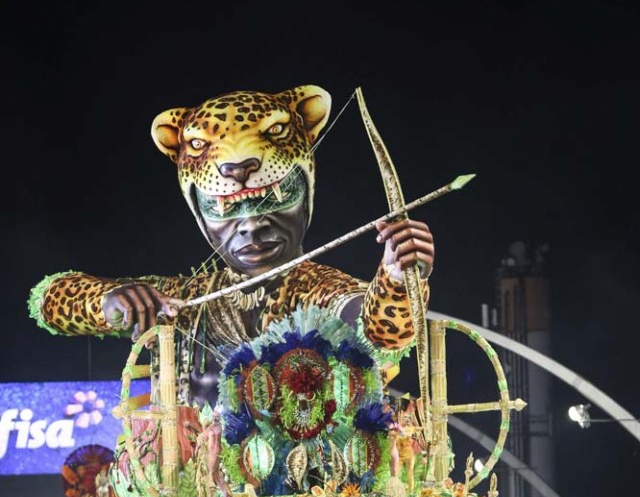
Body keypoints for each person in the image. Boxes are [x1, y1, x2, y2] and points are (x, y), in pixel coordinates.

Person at [29, 86, 435, 410]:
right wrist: (108, 300)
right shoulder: (184, 300)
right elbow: (50, 298)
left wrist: (397, 280)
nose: (252, 227)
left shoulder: (321, 291)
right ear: (200, 214)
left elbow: (379, 331)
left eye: (273, 200)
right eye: (225, 209)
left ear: (306, 195)